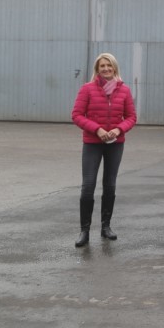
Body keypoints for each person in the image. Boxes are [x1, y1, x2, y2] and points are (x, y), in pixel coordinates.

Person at [70, 52, 137, 248]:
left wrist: (118, 129)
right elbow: (76, 115)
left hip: (115, 143)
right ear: (97, 69)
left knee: (110, 184)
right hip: (92, 142)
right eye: (102, 66)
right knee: (88, 185)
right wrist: (97, 129)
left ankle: (106, 227)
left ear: (114, 68)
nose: (106, 69)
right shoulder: (87, 89)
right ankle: (84, 230)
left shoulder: (124, 90)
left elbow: (131, 117)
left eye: (109, 65)